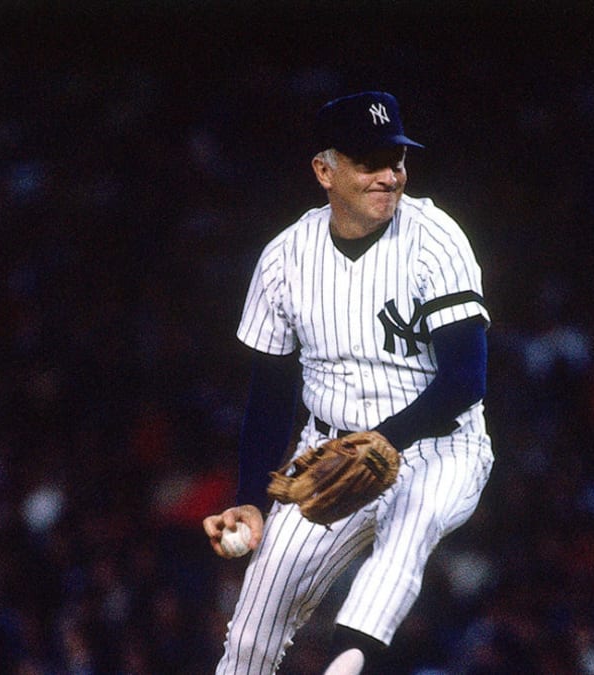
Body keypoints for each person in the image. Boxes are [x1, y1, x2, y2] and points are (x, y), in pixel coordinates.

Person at [202, 91, 494, 675]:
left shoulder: (435, 238)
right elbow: (269, 395)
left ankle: (347, 663)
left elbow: (467, 377)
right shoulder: (286, 257)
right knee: (255, 626)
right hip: (327, 451)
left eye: (398, 160)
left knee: (409, 528)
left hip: (438, 446)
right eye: (369, 162)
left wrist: (383, 439)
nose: (390, 176)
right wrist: (250, 501)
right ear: (324, 171)